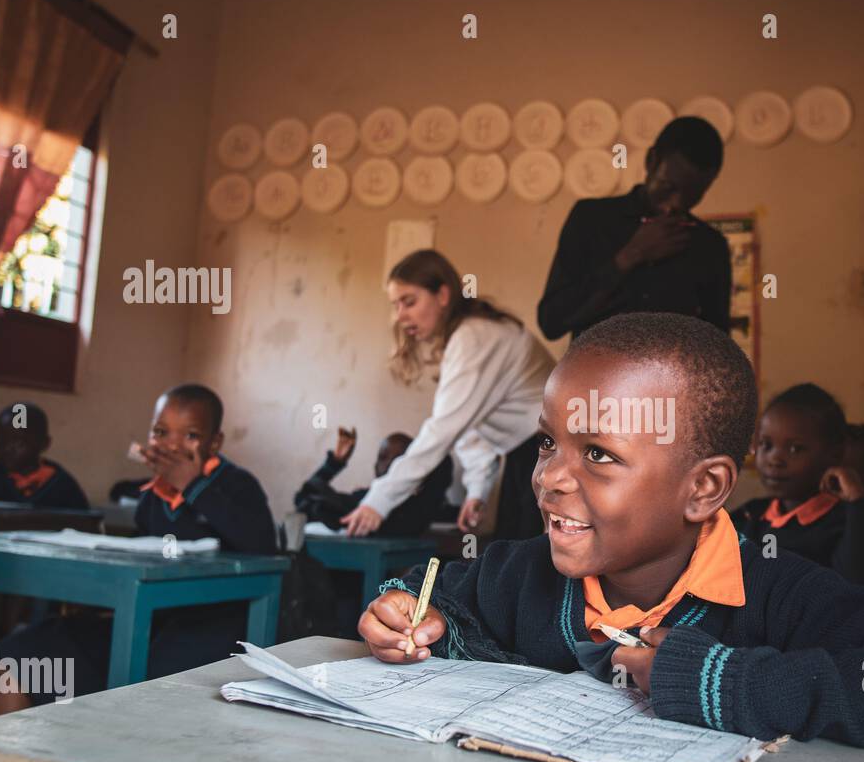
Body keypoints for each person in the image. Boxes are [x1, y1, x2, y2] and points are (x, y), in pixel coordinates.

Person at [358, 314, 864, 747]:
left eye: (599, 455)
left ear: (704, 489)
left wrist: (730, 682)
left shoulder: (772, 593)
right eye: (548, 442)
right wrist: (404, 612)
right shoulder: (521, 573)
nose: (550, 478)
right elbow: (429, 590)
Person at [0, 384, 276, 714]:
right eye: (160, 432)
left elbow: (263, 546)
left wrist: (192, 484)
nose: (171, 445)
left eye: (191, 435)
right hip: (147, 622)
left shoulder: (236, 485)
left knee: (148, 685)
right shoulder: (151, 497)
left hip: (212, 630)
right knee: (20, 655)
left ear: (215, 442)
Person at [341, 250, 555, 541]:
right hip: (526, 453)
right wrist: (478, 487)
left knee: (528, 560)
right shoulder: (466, 336)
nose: (400, 315)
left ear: (442, 295)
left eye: (409, 302)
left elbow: (444, 429)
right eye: (395, 305)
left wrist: (378, 501)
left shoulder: (475, 337)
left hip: (546, 451)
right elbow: (468, 423)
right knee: (515, 560)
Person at [536, 116, 731, 340]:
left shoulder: (709, 246)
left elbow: (718, 344)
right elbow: (551, 322)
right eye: (668, 187)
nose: (677, 203)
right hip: (595, 374)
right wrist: (630, 256)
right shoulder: (592, 219)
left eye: (693, 195)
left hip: (672, 375)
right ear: (651, 161)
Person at [732, 385, 864, 589]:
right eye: (765, 445)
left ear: (834, 454)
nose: (774, 459)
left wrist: (858, 502)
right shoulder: (750, 514)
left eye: (795, 449)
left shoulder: (844, 522)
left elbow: (856, 583)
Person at [294, 426, 451, 537]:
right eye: (382, 457)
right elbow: (303, 499)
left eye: (399, 461)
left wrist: (420, 462)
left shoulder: (408, 511)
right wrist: (334, 463)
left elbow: (443, 462)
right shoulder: (366, 500)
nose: (388, 464)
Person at [0, 402, 88, 509]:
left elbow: (83, 524)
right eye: (1, 440)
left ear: (44, 443)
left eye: (19, 442)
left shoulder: (63, 487)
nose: (7, 448)